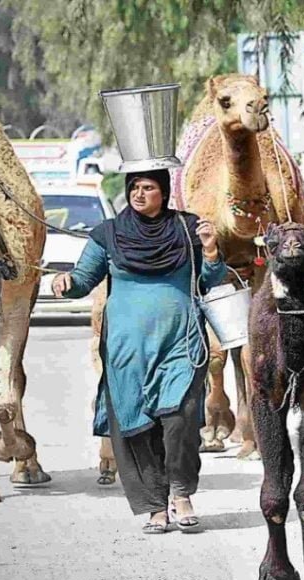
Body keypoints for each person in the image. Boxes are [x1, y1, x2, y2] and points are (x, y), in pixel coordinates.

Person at [52, 170, 227, 534]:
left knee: (181, 418)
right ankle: (154, 507)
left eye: (148, 187)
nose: (139, 193)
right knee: (137, 426)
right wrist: (66, 283)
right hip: (125, 349)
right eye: (134, 187)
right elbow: (84, 279)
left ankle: (181, 494)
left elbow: (209, 282)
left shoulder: (187, 228)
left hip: (181, 341)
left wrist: (210, 250)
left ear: (164, 192)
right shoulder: (109, 234)